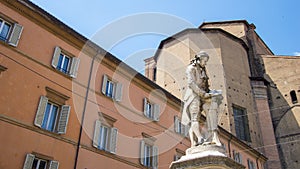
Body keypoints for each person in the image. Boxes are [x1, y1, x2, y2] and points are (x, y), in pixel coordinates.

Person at [181, 51, 211, 147]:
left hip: (202, 96)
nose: (205, 63)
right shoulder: (191, 68)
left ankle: (194, 143)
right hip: (193, 96)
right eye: (204, 61)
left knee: (196, 119)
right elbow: (191, 83)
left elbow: (205, 85)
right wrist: (202, 93)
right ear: (199, 59)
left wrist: (210, 93)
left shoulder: (202, 70)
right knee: (194, 119)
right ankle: (200, 138)